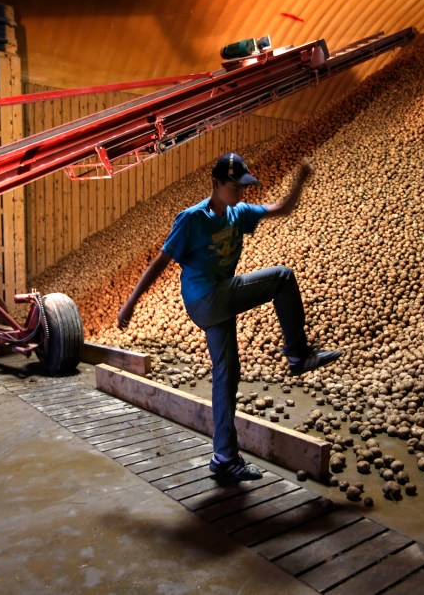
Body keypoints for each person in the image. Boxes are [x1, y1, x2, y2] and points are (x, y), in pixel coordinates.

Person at [117, 152, 342, 483]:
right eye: (234, 187)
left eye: (243, 188)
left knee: (227, 375)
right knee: (282, 277)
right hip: (206, 299)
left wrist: (300, 182)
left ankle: (224, 459)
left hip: (218, 301)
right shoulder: (192, 219)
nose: (240, 193)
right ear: (216, 184)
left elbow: (282, 209)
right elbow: (161, 261)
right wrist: (131, 302)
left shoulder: (239, 214)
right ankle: (298, 355)